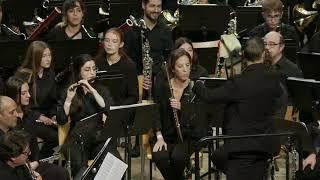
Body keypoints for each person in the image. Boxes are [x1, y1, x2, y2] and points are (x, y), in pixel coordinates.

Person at [194, 37, 281, 180]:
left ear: (244, 57)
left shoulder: (239, 83)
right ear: (264, 54)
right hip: (266, 144)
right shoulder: (274, 78)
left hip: (242, 147)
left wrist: (198, 84)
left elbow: (208, 96)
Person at [56, 54, 119, 177]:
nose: (92, 72)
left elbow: (109, 111)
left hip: (97, 138)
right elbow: (61, 120)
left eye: (94, 69)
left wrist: (93, 91)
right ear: (78, 72)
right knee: (81, 169)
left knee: (115, 162)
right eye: (87, 69)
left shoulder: (101, 89)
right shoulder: (69, 90)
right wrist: (68, 100)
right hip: (76, 140)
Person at [124, 0, 173, 156]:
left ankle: (160, 136)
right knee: (139, 94)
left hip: (159, 75)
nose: (156, 10)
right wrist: (139, 77)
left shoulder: (165, 30)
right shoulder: (133, 30)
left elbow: (169, 57)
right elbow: (126, 58)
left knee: (163, 90)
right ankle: (138, 140)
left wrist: (161, 75)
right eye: (152, 6)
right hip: (138, 75)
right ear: (143, 6)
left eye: (159, 6)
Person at [152, 48, 206, 180]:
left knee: (178, 157)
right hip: (166, 135)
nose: (185, 69)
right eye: (180, 66)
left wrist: (183, 107)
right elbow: (156, 113)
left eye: (187, 65)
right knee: (160, 156)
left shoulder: (196, 87)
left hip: (188, 136)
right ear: (172, 69)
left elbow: (201, 117)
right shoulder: (163, 87)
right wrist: (159, 136)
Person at [0, 94, 69, 180]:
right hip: (14, 172)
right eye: (11, 112)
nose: (17, 115)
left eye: (16, 110)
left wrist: (34, 163)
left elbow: (32, 146)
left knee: (61, 173)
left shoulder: (16, 126)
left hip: (26, 165)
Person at [18, 40, 58, 159]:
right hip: (28, 117)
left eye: (49, 55)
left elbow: (53, 99)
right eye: (44, 56)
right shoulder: (24, 75)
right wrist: (39, 117)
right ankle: (39, 161)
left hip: (46, 116)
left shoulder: (49, 73)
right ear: (35, 58)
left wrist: (54, 115)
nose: (48, 59)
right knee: (54, 137)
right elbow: (20, 104)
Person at [95, 27, 138, 105]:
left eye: (114, 41)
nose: (109, 44)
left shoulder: (129, 66)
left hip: (119, 109)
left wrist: (116, 108)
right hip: (99, 107)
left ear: (121, 44)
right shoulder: (96, 62)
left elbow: (133, 97)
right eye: (107, 40)